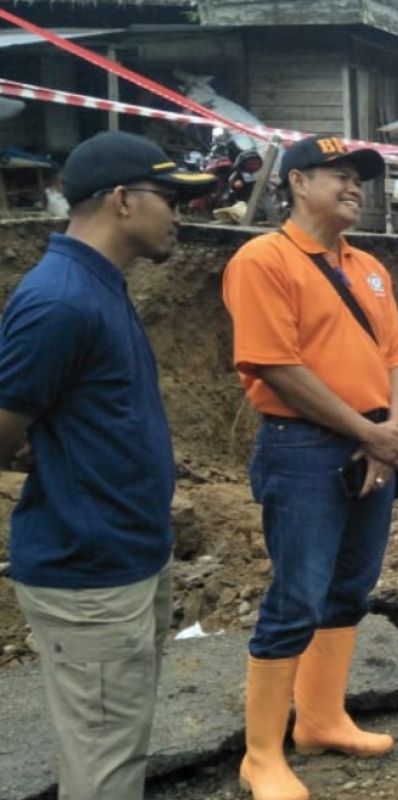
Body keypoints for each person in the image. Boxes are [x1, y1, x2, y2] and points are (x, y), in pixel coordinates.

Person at [0, 131, 215, 799]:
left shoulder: (97, 285)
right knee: (105, 766)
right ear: (122, 200)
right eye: (169, 197)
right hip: (89, 573)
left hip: (127, 559)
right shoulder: (59, 301)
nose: (180, 212)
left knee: (115, 750)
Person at [222, 135, 398, 800]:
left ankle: (323, 719)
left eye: (361, 177)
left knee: (350, 587)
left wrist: (389, 431)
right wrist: (368, 431)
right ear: (297, 182)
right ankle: (261, 755)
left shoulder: (369, 268)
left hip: (372, 441)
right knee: (295, 595)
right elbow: (275, 364)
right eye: (340, 174)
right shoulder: (263, 260)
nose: (355, 186)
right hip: (302, 446)